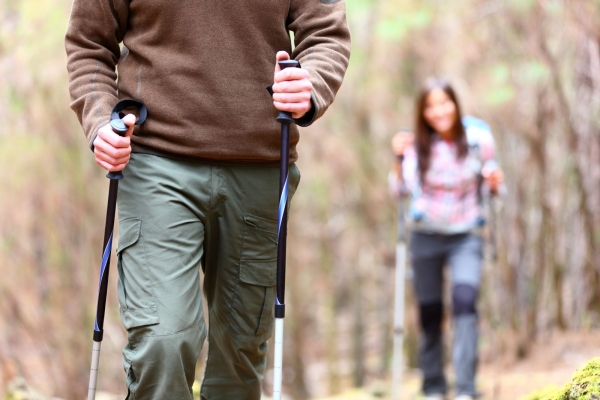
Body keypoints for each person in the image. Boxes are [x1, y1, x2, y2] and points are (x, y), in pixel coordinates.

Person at [65, 2, 350, 399]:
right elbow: (88, 43)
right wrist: (99, 123)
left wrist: (311, 84)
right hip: (156, 161)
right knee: (164, 341)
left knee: (240, 354)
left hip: (259, 166)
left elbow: (326, 36)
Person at [389, 78, 503, 400]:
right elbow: (399, 191)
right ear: (422, 113)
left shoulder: (479, 138)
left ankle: (466, 388)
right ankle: (434, 387)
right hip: (426, 235)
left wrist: (495, 182)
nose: (438, 111)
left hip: (466, 235)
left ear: (455, 104)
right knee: (430, 311)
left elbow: (494, 182)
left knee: (465, 302)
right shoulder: (415, 146)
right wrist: (397, 160)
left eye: (444, 103)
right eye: (430, 106)